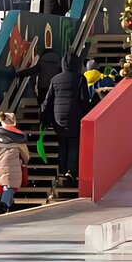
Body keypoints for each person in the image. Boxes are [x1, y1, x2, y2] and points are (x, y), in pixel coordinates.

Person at [41, 52, 88, 187]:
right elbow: (84, 100)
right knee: (73, 144)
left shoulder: (55, 79)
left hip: (58, 118)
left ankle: (61, 172)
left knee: (62, 144)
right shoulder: (80, 78)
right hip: (75, 116)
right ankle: (71, 173)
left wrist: (45, 119)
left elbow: (48, 100)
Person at [0, 112, 29, 213]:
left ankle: (6, 204)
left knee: (4, 185)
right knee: (9, 186)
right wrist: (25, 162)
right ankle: (4, 204)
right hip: (13, 166)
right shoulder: (19, 139)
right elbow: (26, 155)